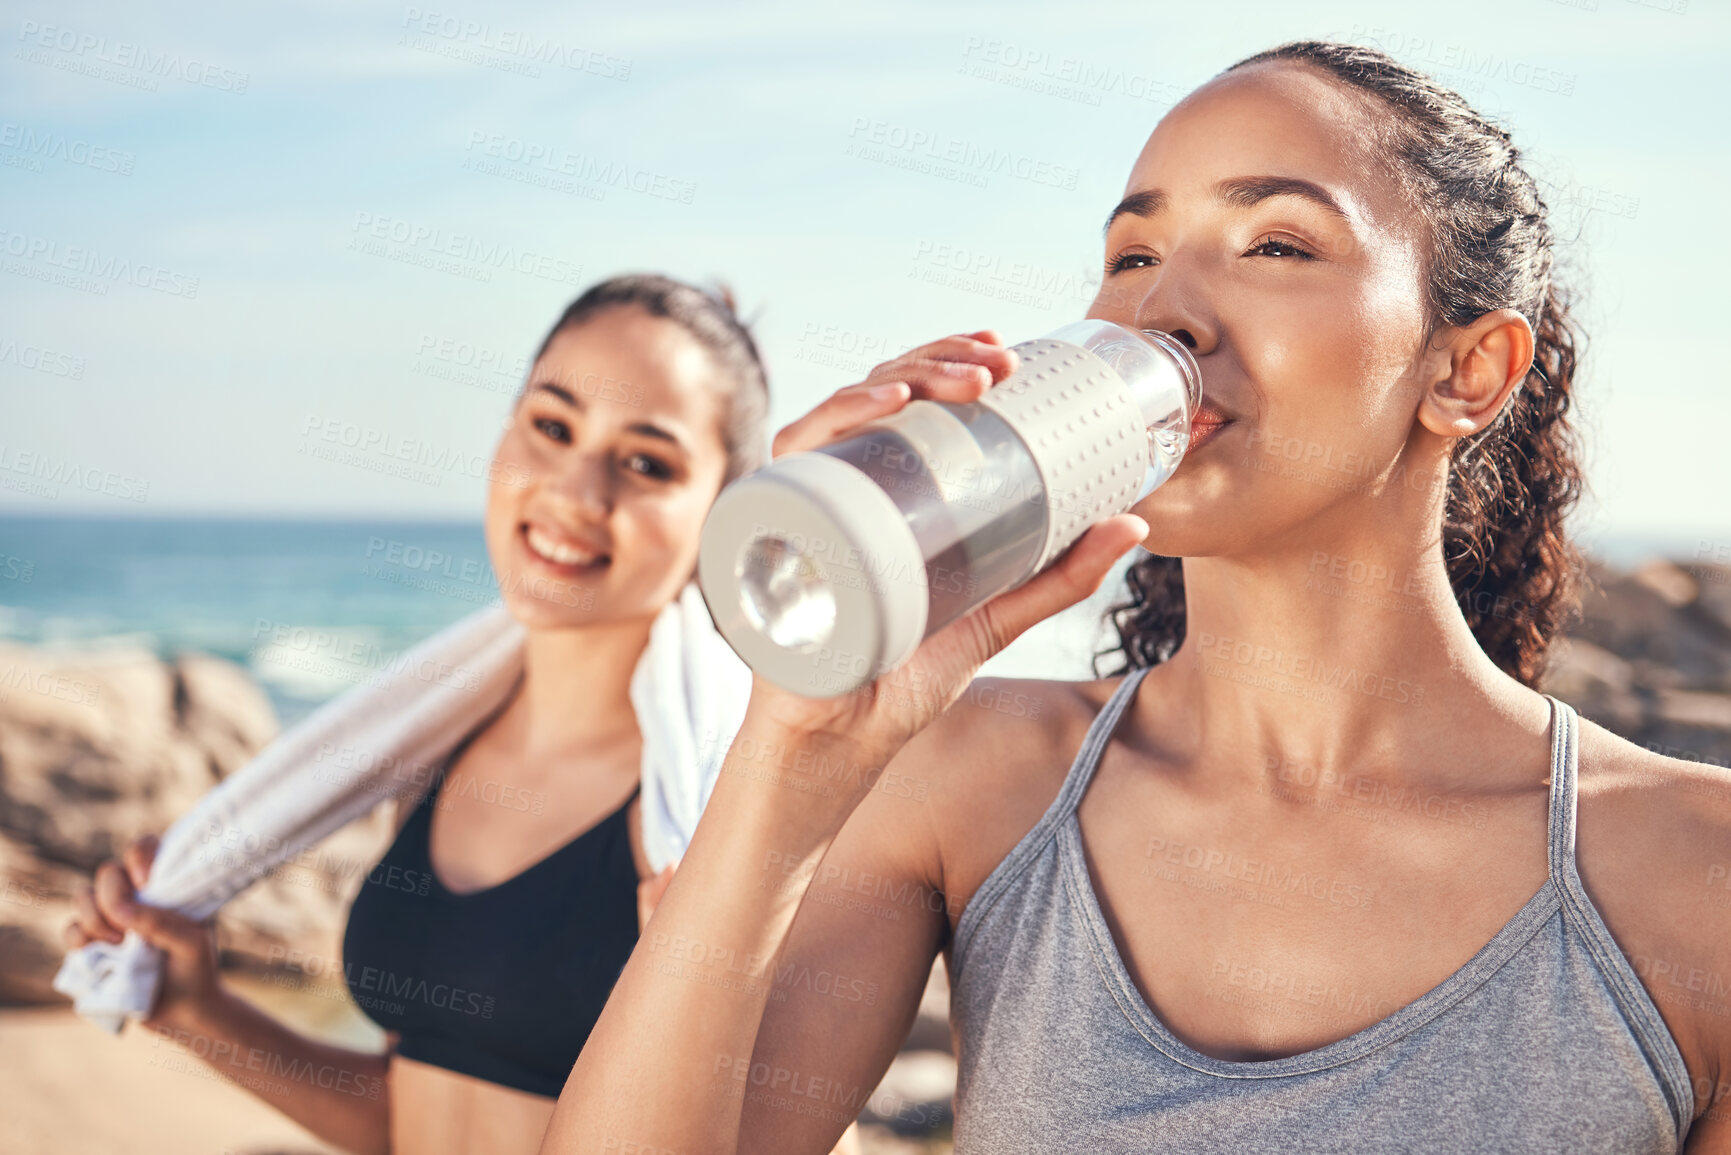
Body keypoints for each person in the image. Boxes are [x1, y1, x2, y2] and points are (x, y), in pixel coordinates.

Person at [541, 42, 1731, 1154]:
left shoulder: (1693, 876)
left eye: (1275, 245)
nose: (1164, 310)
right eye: (1133, 257)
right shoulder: (972, 785)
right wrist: (794, 750)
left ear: (1468, 371)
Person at [63, 274, 856, 1155]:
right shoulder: (436, 750)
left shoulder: (717, 799)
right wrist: (193, 1010)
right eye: (551, 426)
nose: (574, 491)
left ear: (722, 509)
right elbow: (407, 1117)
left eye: (646, 462)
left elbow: (810, 1131)